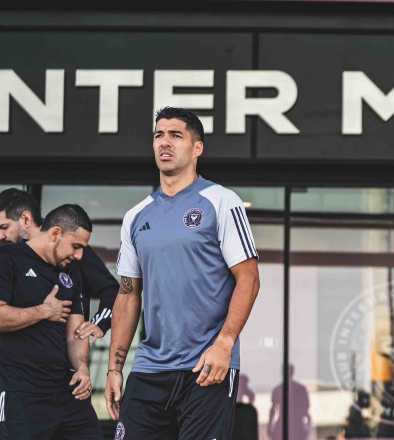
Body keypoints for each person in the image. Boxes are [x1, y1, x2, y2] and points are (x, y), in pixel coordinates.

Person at [105, 107, 261, 439]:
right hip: (149, 367)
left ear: (197, 148)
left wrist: (225, 343)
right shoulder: (136, 216)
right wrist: (114, 368)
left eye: (176, 135)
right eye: (159, 135)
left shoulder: (221, 201)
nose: (165, 143)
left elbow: (248, 277)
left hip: (206, 367)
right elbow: (128, 293)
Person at [0, 204, 100, 439]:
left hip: (65, 389)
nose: (79, 255)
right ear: (55, 233)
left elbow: (75, 330)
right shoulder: (7, 258)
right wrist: (42, 311)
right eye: (76, 246)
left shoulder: (72, 271)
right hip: (20, 391)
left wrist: (83, 367)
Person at [0, 189, 118, 343]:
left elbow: (111, 289)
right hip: (16, 360)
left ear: (26, 220)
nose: (1, 235)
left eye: (4, 227)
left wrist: (99, 324)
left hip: (65, 358)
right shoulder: (8, 258)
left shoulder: (72, 249)